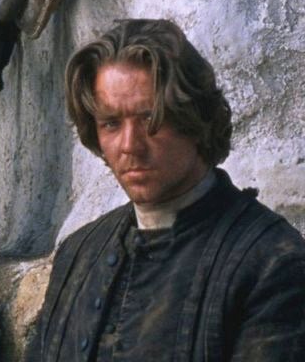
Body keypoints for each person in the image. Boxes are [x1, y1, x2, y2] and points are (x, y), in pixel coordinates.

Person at [26, 19, 305, 361]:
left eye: (150, 119)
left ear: (194, 119)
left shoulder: (271, 261)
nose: (130, 145)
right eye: (111, 124)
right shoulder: (78, 254)